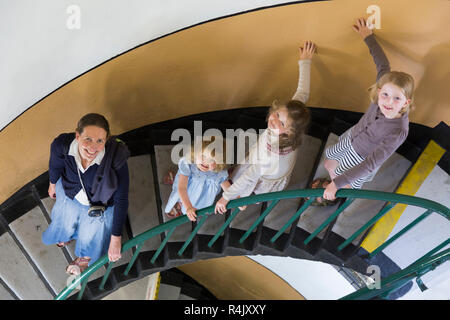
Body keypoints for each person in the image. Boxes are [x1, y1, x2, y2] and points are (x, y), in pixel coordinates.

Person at [319, 18, 414, 203]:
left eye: (397, 98)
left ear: (405, 102)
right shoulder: (381, 94)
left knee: (340, 176)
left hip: (360, 156)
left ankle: (337, 191)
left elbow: (371, 163)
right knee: (328, 161)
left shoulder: (399, 130)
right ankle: (334, 181)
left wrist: (336, 183)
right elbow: (383, 66)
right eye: (385, 94)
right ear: (379, 90)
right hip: (353, 135)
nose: (388, 102)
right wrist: (368, 37)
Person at [215, 41, 315, 214]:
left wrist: (226, 197)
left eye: (281, 123)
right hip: (263, 161)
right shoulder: (291, 119)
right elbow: (302, 93)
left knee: (246, 182)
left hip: (267, 174)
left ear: (290, 132)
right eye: (276, 114)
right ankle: (238, 194)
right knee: (246, 167)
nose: (274, 120)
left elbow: (249, 177)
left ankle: (243, 200)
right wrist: (305, 61)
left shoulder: (270, 156)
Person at [42, 113, 130, 275]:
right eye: (88, 139)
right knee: (65, 221)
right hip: (72, 194)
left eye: (100, 141)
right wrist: (52, 183)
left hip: (100, 204)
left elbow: (122, 198)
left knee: (91, 234)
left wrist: (115, 238)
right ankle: (69, 234)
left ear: (107, 140)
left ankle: (84, 257)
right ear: (77, 136)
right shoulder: (62, 145)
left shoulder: (116, 159)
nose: (92, 148)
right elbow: (55, 164)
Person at [164, 140, 230, 222]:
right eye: (203, 156)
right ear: (196, 152)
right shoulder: (189, 165)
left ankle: (183, 205)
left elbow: (231, 191)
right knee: (180, 186)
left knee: (196, 204)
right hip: (186, 187)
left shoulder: (218, 174)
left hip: (201, 196)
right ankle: (180, 202)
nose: (206, 162)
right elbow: (182, 187)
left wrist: (225, 199)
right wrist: (188, 207)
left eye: (212, 160)